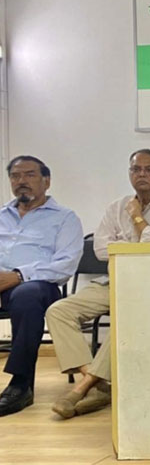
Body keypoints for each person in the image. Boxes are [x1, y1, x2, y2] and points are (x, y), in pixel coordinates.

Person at [46, 149, 150, 419]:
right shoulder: (115, 207)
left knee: (125, 316)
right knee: (58, 311)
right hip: (114, 280)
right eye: (136, 169)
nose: (142, 174)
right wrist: (149, 237)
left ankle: (82, 388)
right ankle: (98, 384)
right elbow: (100, 249)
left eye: (149, 169)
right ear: (129, 174)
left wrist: (138, 220)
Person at [0, 156, 83, 417]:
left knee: (27, 295)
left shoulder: (64, 218)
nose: (21, 181)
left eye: (29, 175)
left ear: (46, 181)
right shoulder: (1, 215)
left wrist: (19, 275)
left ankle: (21, 384)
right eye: (15, 176)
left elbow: (65, 265)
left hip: (39, 287)